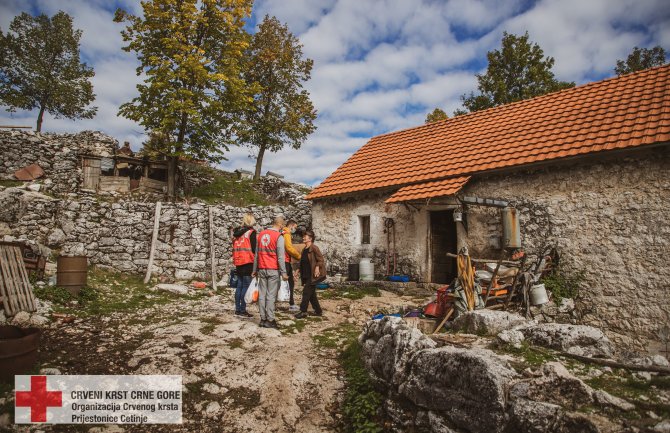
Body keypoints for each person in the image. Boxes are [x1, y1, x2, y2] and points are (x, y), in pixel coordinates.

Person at [252, 215, 289, 329]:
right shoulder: (279, 236)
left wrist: (254, 270)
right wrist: (284, 272)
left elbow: (257, 254)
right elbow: (280, 257)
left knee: (262, 295)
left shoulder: (261, 234)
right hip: (273, 270)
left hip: (262, 269)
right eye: (283, 225)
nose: (283, 227)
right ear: (280, 224)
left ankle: (262, 319)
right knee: (271, 296)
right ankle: (270, 320)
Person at [295, 229, 325, 319]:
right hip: (306, 275)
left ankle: (303, 311)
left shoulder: (314, 248)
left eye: (305, 236)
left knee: (306, 292)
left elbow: (321, 260)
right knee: (311, 295)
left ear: (310, 238)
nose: (303, 237)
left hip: (313, 275)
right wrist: (297, 270)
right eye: (303, 236)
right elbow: (303, 262)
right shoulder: (304, 249)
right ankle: (318, 311)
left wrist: (317, 267)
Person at [232, 213, 257, 317]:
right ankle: (243, 310)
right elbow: (255, 249)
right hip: (248, 262)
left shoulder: (237, 233)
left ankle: (237, 309)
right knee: (246, 287)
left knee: (239, 286)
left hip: (238, 262)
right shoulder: (251, 233)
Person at [282, 220, 302, 311]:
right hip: (285, 261)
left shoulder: (282, 232)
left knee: (290, 282)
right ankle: (290, 303)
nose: (295, 229)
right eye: (295, 227)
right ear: (291, 226)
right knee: (289, 282)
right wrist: (298, 256)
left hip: (284, 261)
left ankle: (291, 302)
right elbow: (289, 248)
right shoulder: (286, 233)